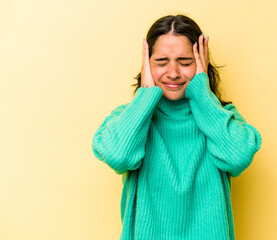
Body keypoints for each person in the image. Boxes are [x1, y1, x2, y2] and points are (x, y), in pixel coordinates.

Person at [92, 14, 262, 240]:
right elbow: (118, 156)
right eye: (161, 62)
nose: (173, 72)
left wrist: (202, 93)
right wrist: (146, 95)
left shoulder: (223, 117)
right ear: (146, 63)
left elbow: (238, 158)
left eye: (185, 62)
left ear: (201, 62)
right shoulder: (129, 118)